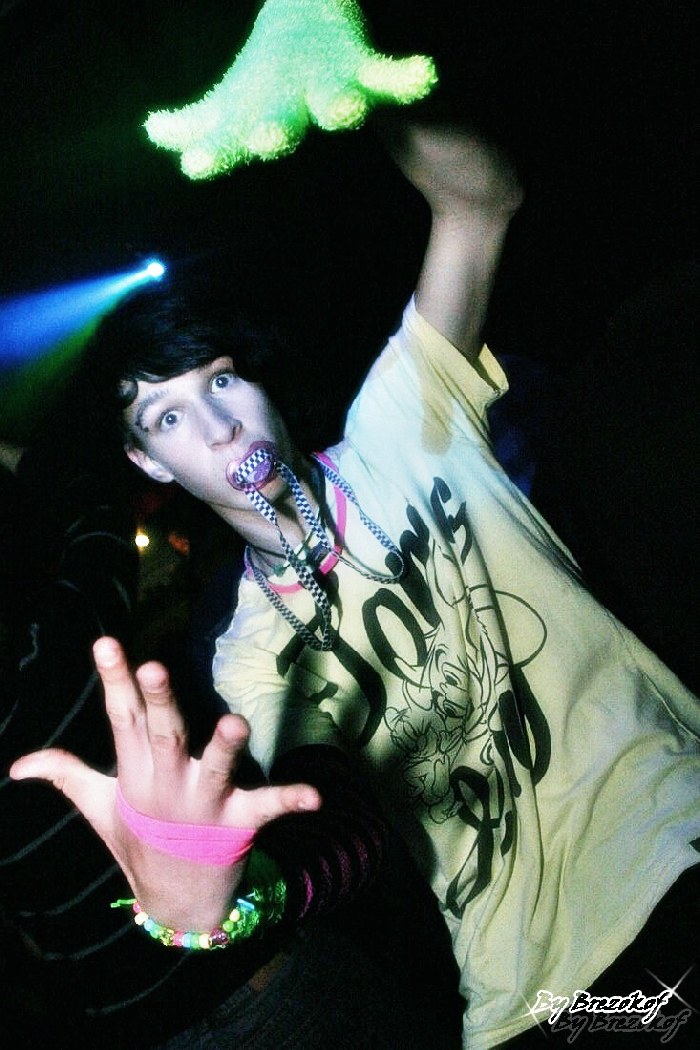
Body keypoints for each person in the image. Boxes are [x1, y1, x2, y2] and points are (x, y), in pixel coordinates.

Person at [14, 118, 700, 1048]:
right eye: (169, 419)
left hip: (667, 842)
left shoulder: (402, 424)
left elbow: (480, 200)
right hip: (526, 993)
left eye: (220, 382)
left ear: (258, 385)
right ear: (152, 464)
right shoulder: (248, 648)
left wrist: (368, 95)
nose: (216, 427)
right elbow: (337, 816)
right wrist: (233, 901)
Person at [1, 430, 463, 1048]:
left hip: (146, 1021)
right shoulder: (51, 653)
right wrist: (20, 457)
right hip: (263, 994)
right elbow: (97, 522)